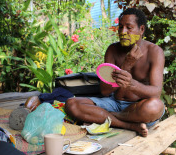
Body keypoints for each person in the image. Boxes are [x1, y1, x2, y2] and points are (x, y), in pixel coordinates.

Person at [65, 8, 165, 137]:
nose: (123, 32)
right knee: (71, 104)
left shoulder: (155, 52)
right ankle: (129, 125)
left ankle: (109, 117)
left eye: (129, 28)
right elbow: (105, 91)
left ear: (141, 30)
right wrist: (125, 65)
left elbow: (156, 93)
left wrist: (131, 84)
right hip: (114, 103)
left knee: (154, 107)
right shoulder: (112, 50)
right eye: (120, 27)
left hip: (137, 108)